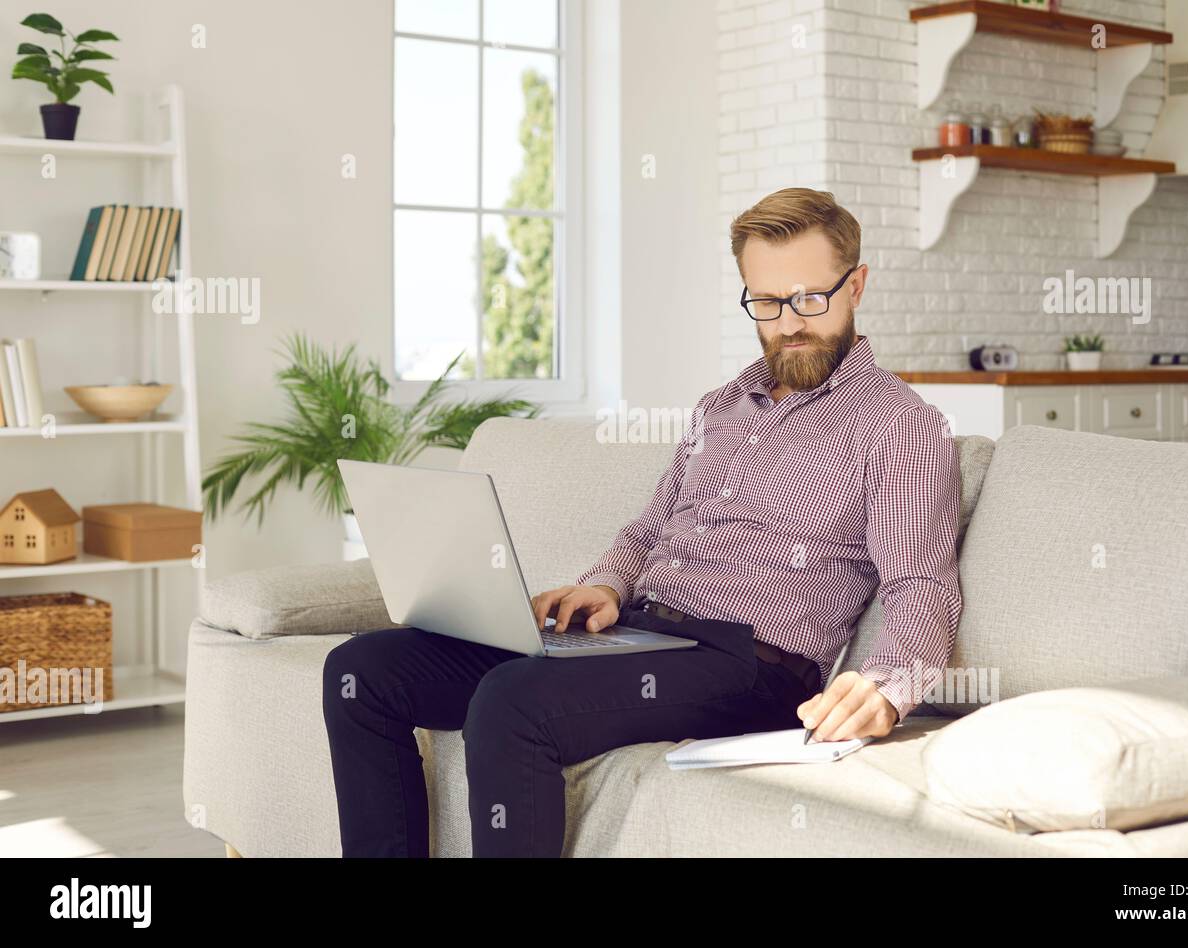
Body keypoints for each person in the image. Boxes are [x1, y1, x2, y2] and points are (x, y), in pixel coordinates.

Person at [322, 186, 963, 857]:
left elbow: (922, 583)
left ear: (855, 285)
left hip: (750, 667)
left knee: (511, 701)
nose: (789, 323)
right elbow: (648, 529)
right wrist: (604, 586)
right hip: (636, 636)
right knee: (363, 672)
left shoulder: (900, 425)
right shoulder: (719, 407)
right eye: (767, 303)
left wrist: (886, 687)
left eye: (809, 299)